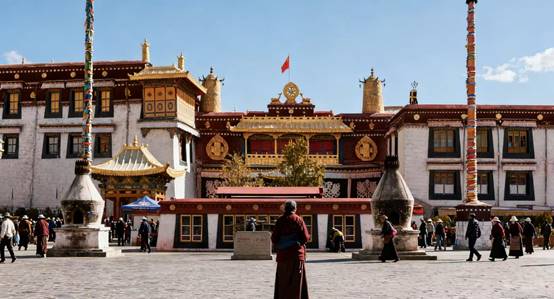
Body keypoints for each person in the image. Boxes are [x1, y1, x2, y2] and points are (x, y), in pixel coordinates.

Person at [271, 200, 310, 299]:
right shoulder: (298, 220)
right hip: (296, 255)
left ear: (285, 208)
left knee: (283, 282)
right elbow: (305, 237)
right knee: (296, 283)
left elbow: (274, 238)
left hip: (283, 256)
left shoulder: (280, 220)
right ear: (295, 209)